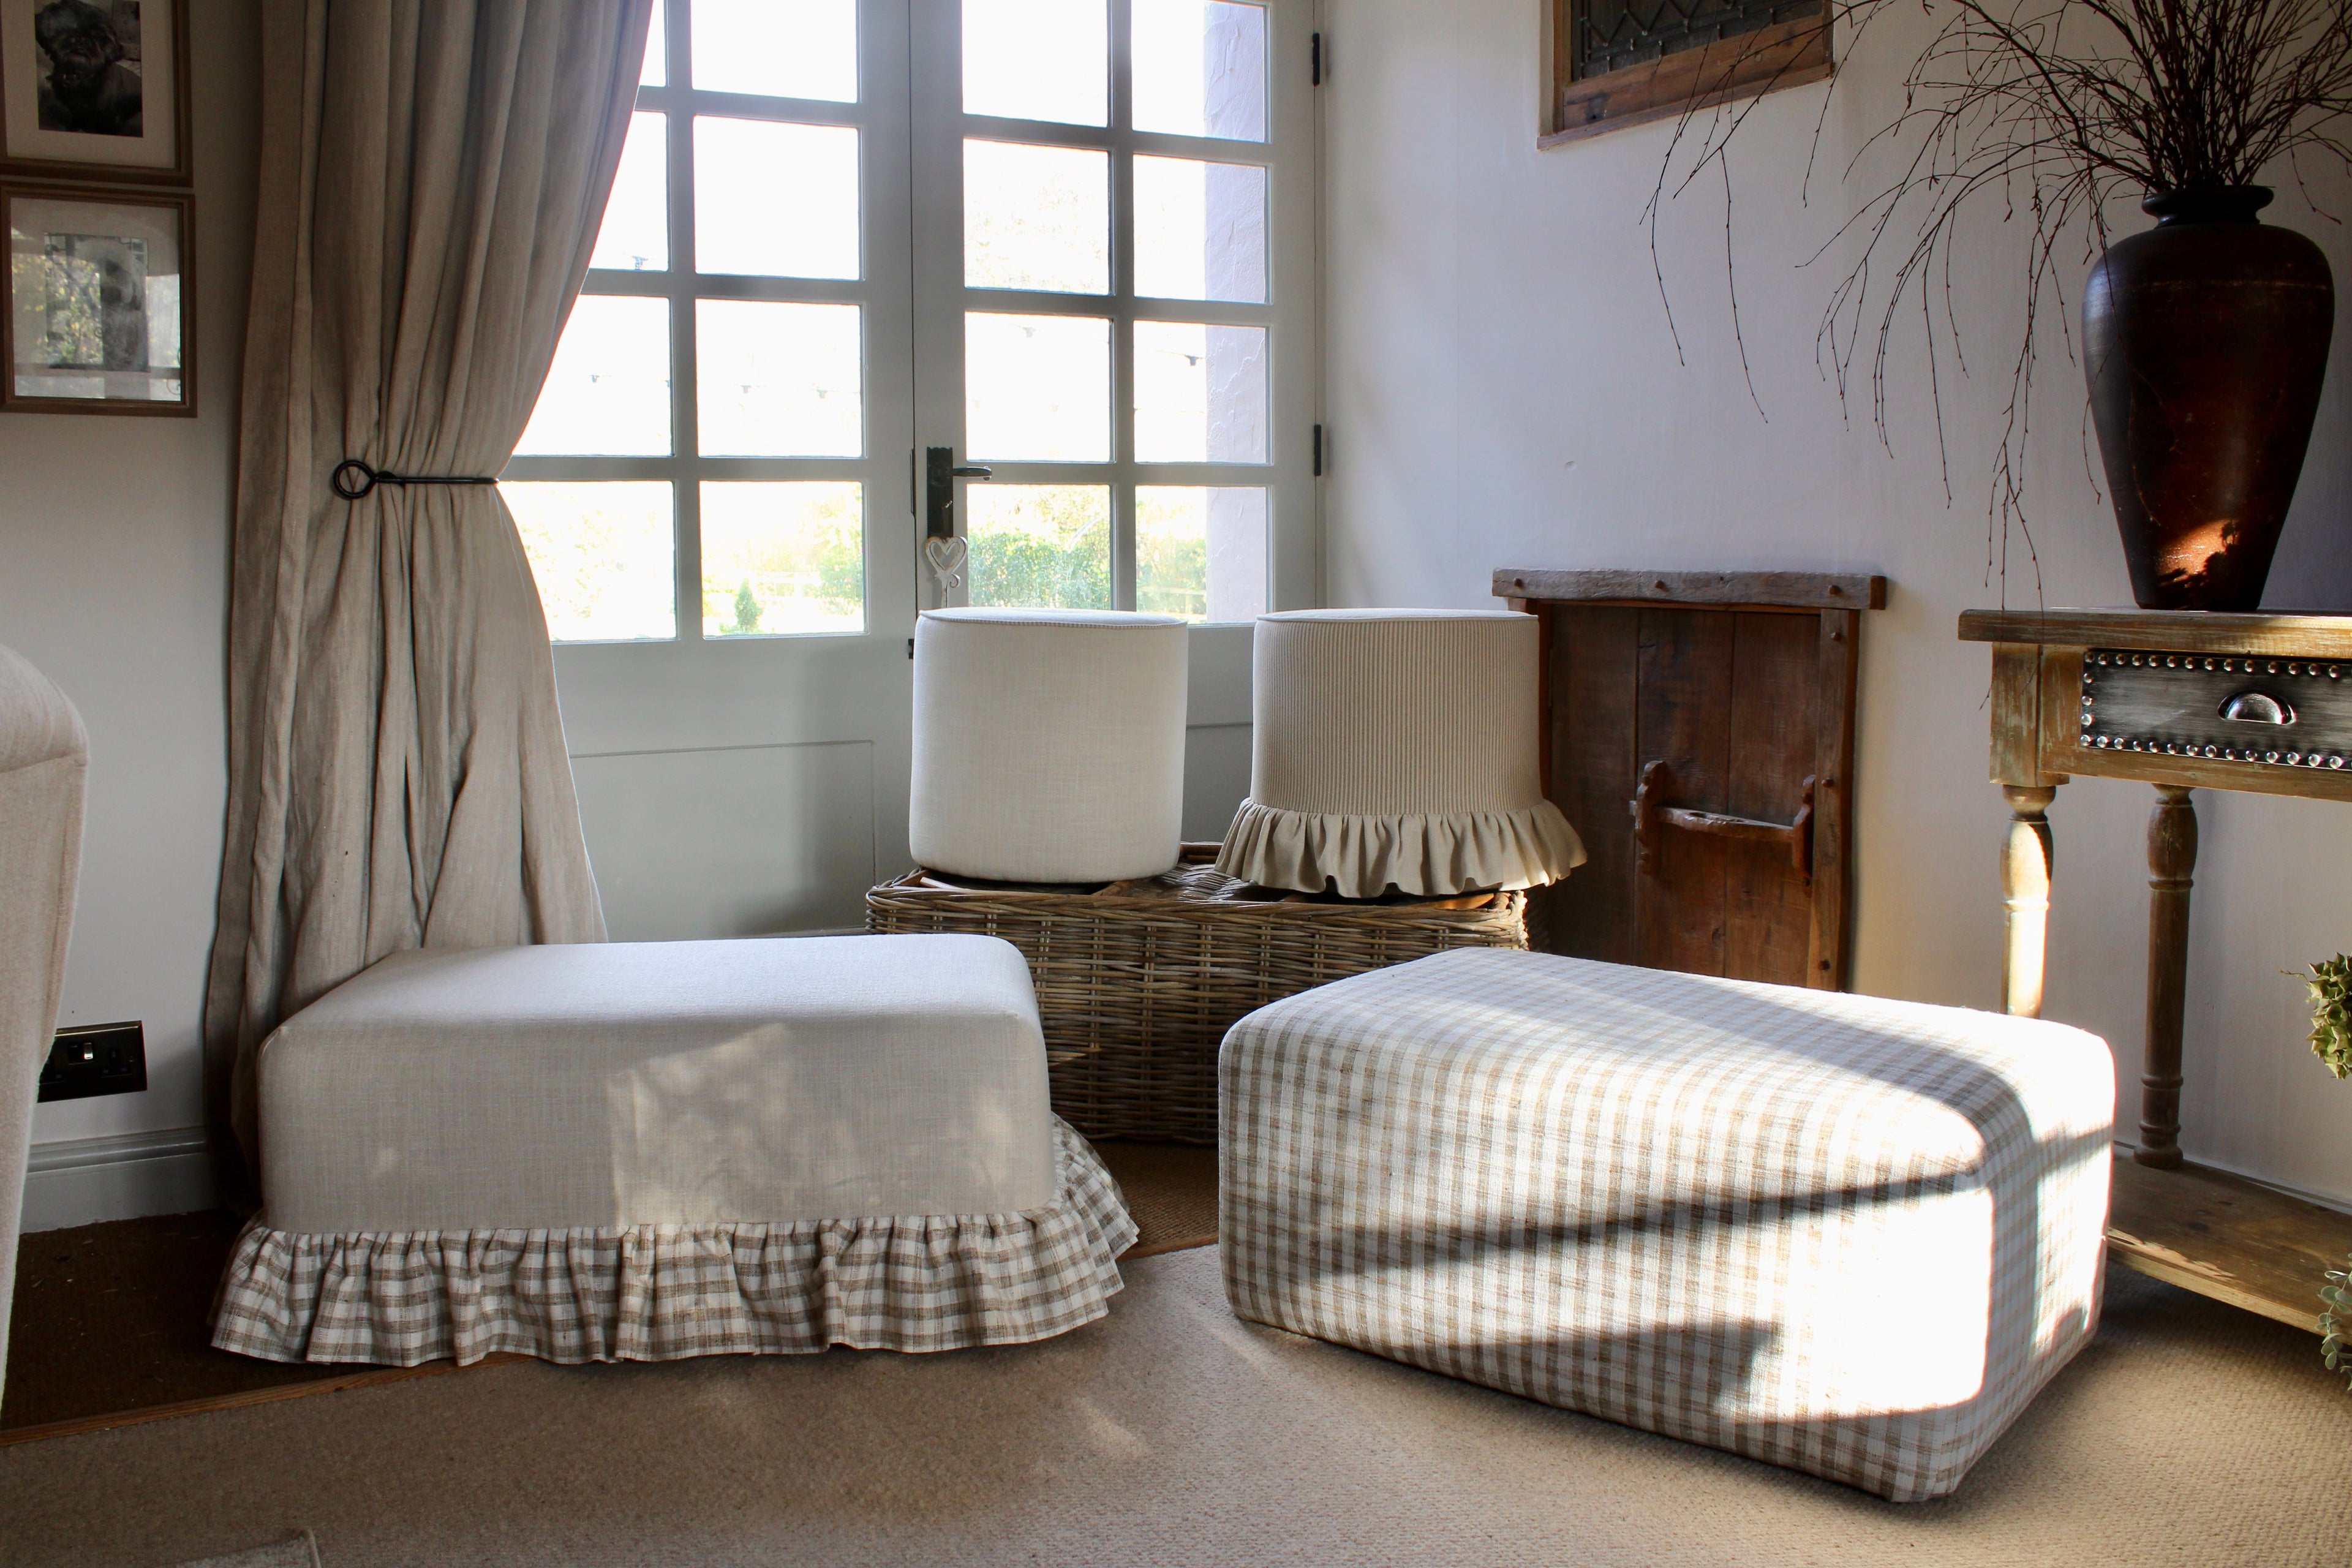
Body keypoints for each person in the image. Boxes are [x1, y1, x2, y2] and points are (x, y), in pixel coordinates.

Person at [35, 0, 144, 138]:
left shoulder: (105, 91)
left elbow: (106, 122)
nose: (80, 45)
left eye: (95, 41)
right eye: (70, 37)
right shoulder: (60, 74)